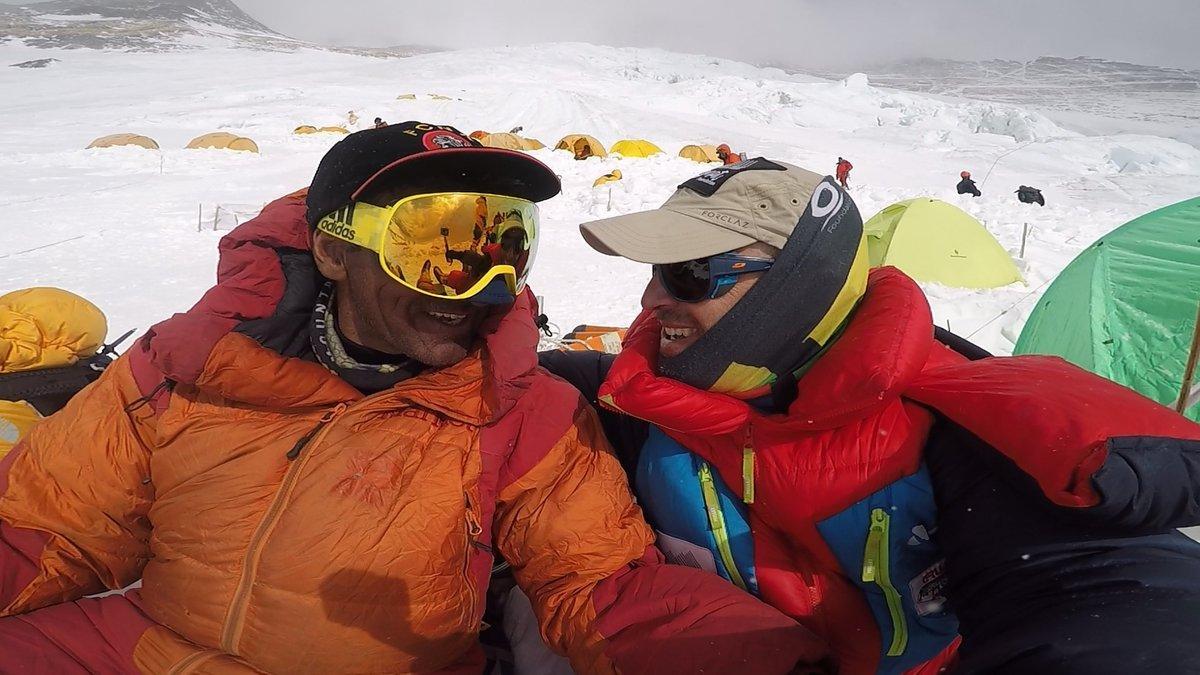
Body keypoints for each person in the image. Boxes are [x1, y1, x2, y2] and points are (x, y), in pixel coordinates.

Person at [0, 126, 825, 674]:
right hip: (148, 647)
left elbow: (605, 585)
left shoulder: (519, 410)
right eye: (437, 248)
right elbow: (47, 528)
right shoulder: (192, 364)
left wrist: (772, 658)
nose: (478, 289)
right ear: (332, 250)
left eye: (504, 246)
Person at [542, 158, 1200, 675]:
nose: (650, 297)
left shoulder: (958, 431)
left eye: (689, 274)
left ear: (794, 288)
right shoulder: (640, 400)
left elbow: (1114, 593)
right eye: (659, 269)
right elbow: (511, 383)